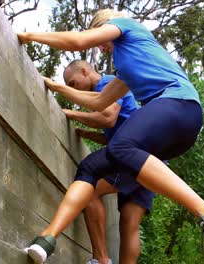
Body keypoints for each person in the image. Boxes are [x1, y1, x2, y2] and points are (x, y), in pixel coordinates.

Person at [18, 9, 204, 264]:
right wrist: (58, 88)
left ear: (107, 25)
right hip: (175, 132)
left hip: (179, 104)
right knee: (90, 167)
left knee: (120, 145)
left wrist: (29, 36)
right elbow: (100, 101)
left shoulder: (126, 26)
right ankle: (46, 240)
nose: (101, 48)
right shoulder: (125, 67)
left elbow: (77, 41)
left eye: (100, 38)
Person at [30, 60, 155, 264]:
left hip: (135, 154)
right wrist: (88, 133)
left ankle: (101, 259)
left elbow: (107, 118)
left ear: (84, 71)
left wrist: (70, 114)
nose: (72, 89)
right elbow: (114, 132)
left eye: (72, 83)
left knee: (89, 188)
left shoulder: (108, 83)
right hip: (153, 158)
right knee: (130, 223)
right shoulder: (112, 90)